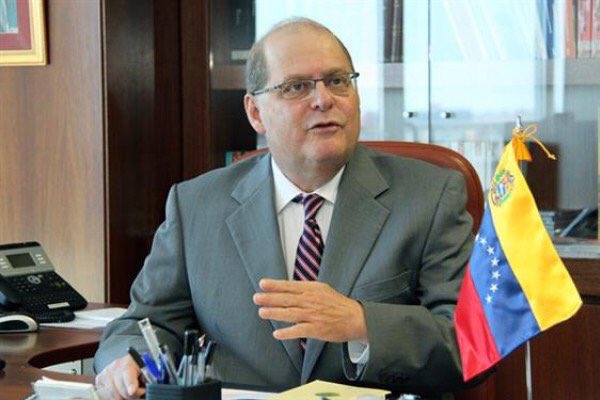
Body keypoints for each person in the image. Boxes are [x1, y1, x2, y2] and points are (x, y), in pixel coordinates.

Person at [94, 17, 474, 400]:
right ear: (255, 113)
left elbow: (468, 344)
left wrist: (362, 323)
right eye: (297, 87)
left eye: (337, 81)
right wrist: (128, 361)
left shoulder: (430, 197)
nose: (323, 99)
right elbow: (145, 323)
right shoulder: (197, 206)